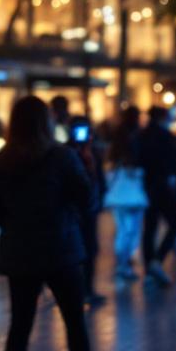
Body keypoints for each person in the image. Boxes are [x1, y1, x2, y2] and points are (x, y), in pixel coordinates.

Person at [0, 96, 112, 351]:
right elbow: (87, 202)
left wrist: (17, 224)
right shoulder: (62, 157)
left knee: (20, 327)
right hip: (61, 248)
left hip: (20, 251)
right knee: (74, 321)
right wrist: (90, 169)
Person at [136, 105, 176, 287]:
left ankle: (150, 268)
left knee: (150, 227)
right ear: (163, 117)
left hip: (146, 186)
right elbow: (175, 161)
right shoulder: (165, 136)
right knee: (175, 222)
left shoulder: (141, 135)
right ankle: (157, 260)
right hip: (163, 187)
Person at [66, 115, 108, 306]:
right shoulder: (67, 153)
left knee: (90, 248)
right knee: (80, 249)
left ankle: (87, 289)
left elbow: (98, 179)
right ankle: (79, 290)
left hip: (89, 210)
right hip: (75, 211)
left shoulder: (92, 152)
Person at [106, 106, 146, 283]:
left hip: (119, 194)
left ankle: (122, 265)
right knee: (132, 230)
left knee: (122, 230)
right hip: (135, 193)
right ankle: (125, 264)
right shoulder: (138, 138)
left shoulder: (117, 139)